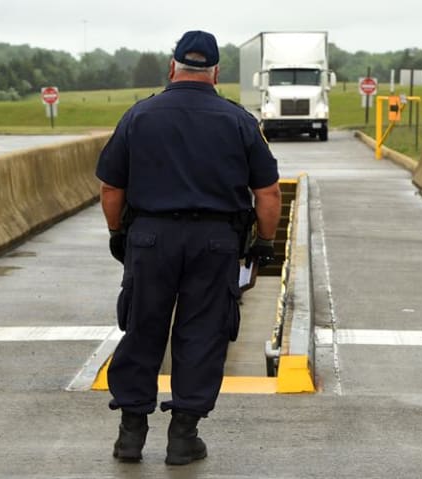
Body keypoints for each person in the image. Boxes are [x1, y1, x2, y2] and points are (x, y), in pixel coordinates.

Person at [95, 30, 282, 466]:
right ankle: (183, 437)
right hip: (215, 243)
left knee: (142, 327)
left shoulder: (139, 116)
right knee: (202, 333)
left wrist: (118, 233)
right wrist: (264, 243)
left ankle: (130, 435)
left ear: (172, 67)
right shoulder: (239, 121)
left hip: (151, 238)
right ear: (216, 72)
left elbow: (110, 188)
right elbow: (268, 193)